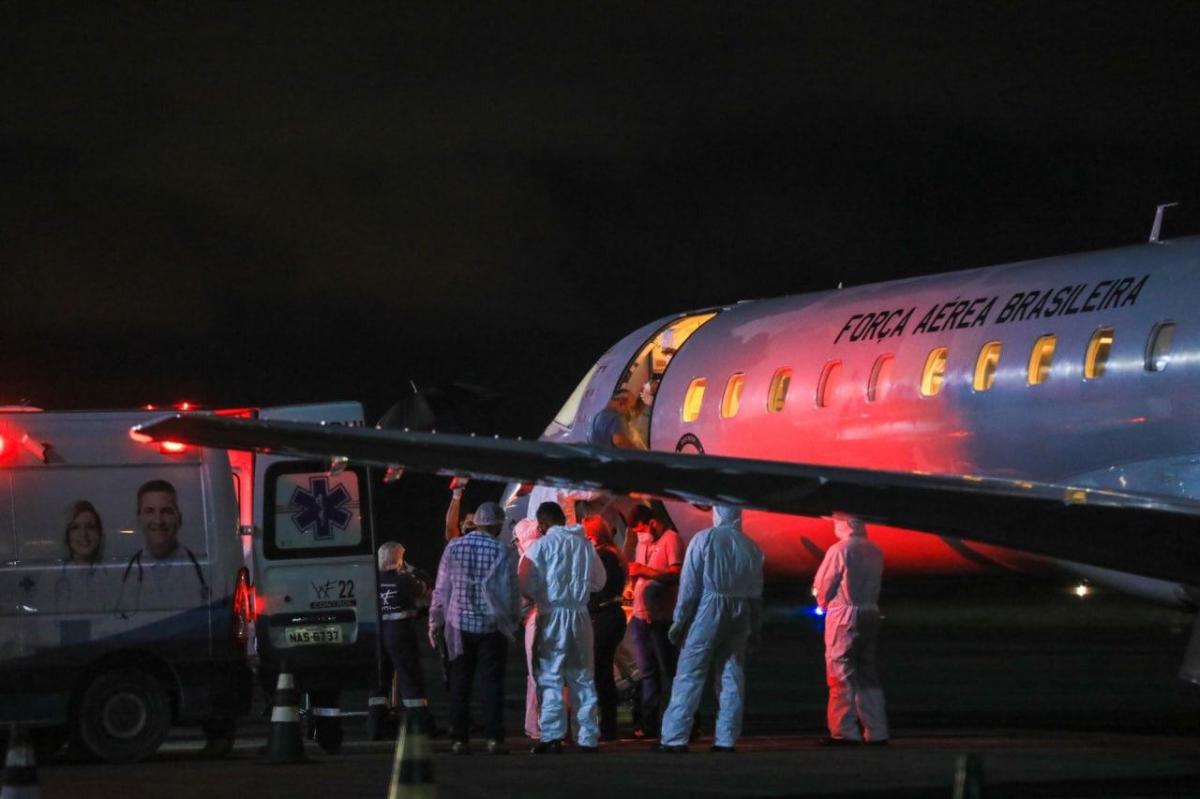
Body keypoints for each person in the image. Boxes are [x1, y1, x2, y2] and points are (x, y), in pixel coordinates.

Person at [657, 505, 763, 753]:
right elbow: (757, 595)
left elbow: (689, 586)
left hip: (710, 608)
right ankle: (726, 739)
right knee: (732, 675)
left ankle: (674, 738)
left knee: (690, 673)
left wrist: (679, 620)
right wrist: (755, 629)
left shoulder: (705, 539)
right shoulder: (752, 547)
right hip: (741, 611)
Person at [429, 501, 520, 755]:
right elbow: (511, 591)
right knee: (492, 684)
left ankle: (459, 739)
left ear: (476, 522)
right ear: (499, 525)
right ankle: (494, 739)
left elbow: (442, 587)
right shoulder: (501, 551)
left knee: (460, 683)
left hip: (459, 626)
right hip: (492, 627)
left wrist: (435, 620)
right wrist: (513, 620)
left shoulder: (454, 547)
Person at [518, 502, 605, 753]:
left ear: (542, 525)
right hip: (580, 615)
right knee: (582, 675)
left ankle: (552, 736)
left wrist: (542, 596)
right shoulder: (585, 545)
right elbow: (599, 582)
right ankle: (588, 737)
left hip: (551, 613)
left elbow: (525, 582)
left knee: (550, 675)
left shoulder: (540, 547)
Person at [813, 512, 888, 746]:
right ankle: (877, 731)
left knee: (840, 673)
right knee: (867, 673)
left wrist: (822, 603)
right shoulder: (875, 550)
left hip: (844, 614)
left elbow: (824, 584)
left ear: (844, 523)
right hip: (870, 612)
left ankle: (844, 731)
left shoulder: (839, 550)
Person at [624, 505, 684, 738]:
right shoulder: (642, 543)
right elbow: (637, 570)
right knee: (647, 671)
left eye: (641, 529)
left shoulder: (672, 540)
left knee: (668, 670)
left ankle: (680, 718)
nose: (641, 535)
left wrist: (645, 571)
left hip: (661, 616)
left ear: (652, 523)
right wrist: (631, 584)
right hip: (640, 615)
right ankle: (649, 723)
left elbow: (674, 574)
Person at [370, 541, 434, 740]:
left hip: (378, 633)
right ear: (397, 560)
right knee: (410, 678)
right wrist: (415, 573)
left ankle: (376, 725)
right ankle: (419, 725)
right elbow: (424, 589)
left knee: (380, 682)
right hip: (400, 633)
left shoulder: (372, 580)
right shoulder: (405, 580)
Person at [583, 514, 628, 742]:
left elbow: (597, 587)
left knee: (600, 671)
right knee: (604, 670)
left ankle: (607, 725)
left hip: (604, 616)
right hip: (612, 615)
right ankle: (608, 724)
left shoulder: (602, 557)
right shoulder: (613, 554)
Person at [511, 517, 544, 742]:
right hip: (561, 615)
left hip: (535, 618)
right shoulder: (551, 550)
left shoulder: (526, 558)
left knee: (536, 673)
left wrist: (519, 617)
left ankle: (537, 725)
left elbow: (523, 596)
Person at [55, 500, 107, 611]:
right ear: (67, 535)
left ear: (99, 533)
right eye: (75, 527)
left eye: (90, 527)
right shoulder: (52, 577)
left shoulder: (112, 575)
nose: (83, 534)